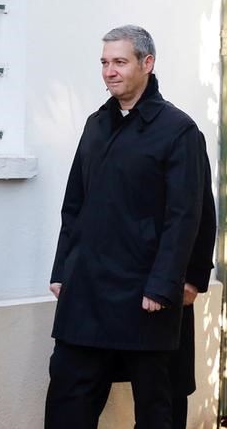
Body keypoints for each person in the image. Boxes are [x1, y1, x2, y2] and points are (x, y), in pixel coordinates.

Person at [45, 25, 206, 428]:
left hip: (145, 296)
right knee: (68, 399)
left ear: (147, 64)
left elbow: (187, 214)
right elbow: (74, 205)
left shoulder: (177, 129)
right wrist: (63, 270)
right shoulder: (95, 125)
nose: (109, 71)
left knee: (157, 405)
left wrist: (167, 284)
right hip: (86, 293)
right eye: (104, 62)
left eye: (120, 61)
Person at [96, 135, 215, 428]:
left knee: (167, 389)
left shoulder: (180, 133)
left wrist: (195, 277)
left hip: (168, 284)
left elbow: (200, 209)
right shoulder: (102, 131)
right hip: (113, 287)